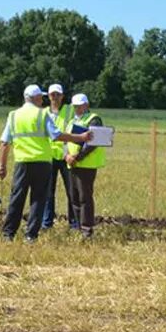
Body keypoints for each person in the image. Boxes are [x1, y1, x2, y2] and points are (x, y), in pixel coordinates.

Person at [0, 85, 91, 243]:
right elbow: (56, 135)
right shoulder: (42, 114)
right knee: (38, 199)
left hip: (22, 162)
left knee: (17, 197)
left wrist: (3, 165)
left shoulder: (13, 115)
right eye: (41, 97)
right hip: (41, 162)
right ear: (34, 99)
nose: (43, 100)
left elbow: (5, 142)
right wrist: (80, 138)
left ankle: (8, 233)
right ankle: (30, 235)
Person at [65, 93, 106, 239]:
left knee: (85, 198)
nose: (77, 108)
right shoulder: (71, 122)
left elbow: (93, 142)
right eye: (75, 106)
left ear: (86, 105)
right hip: (72, 164)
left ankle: (87, 230)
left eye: (79, 105)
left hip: (86, 165)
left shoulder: (94, 119)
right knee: (74, 197)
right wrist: (67, 156)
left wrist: (78, 157)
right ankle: (78, 227)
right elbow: (65, 141)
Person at [42, 83, 76, 230]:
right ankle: (46, 223)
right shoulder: (43, 113)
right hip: (49, 157)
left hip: (66, 155)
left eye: (58, 94)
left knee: (72, 191)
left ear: (62, 96)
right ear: (48, 97)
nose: (55, 97)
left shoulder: (70, 110)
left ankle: (74, 223)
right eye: (52, 94)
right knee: (48, 193)